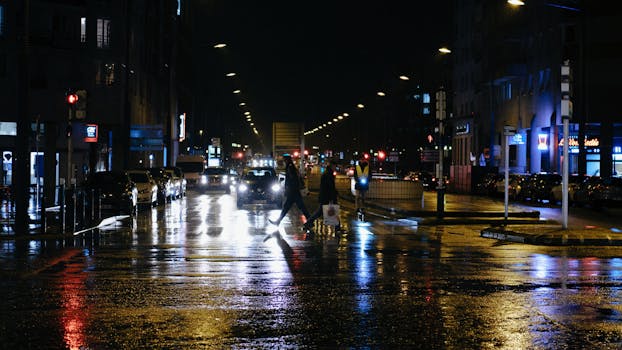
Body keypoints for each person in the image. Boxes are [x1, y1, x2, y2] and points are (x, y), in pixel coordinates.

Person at [269, 155, 311, 226]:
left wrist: (289, 189)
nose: (283, 162)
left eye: (284, 160)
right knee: (289, 207)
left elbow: (292, 179)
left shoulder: (289, 167)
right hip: (294, 192)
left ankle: (310, 221)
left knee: (300, 207)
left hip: (293, 192)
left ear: (286, 160)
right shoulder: (291, 167)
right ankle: (278, 221)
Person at [304, 161, 343, 233]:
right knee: (331, 211)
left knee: (321, 212)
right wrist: (332, 197)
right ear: (332, 166)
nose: (335, 168)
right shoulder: (329, 174)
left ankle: (308, 223)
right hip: (327, 197)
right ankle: (337, 228)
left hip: (325, 196)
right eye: (335, 166)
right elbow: (330, 187)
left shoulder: (327, 173)